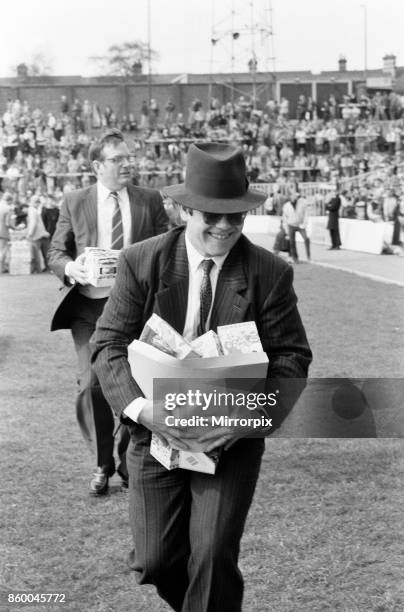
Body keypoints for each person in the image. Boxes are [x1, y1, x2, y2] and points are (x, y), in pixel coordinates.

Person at [92, 143, 312, 611]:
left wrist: (241, 422)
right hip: (155, 431)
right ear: (183, 209)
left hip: (229, 439)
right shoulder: (141, 260)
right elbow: (107, 344)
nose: (225, 227)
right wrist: (143, 409)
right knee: (155, 561)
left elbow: (291, 358)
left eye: (236, 216)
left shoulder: (270, 272)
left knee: (211, 556)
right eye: (212, 215)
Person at [48, 128, 169, 495]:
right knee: (92, 385)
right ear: (97, 166)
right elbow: (56, 252)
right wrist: (72, 269)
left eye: (129, 157)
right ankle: (102, 464)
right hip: (88, 307)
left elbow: (169, 246)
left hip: (137, 309)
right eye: (118, 159)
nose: (127, 164)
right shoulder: (74, 200)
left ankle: (127, 457)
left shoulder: (149, 200)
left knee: (134, 385)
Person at [282, 191, 311, 263]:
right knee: (292, 243)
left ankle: (308, 256)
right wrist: (286, 231)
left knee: (306, 239)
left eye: (295, 196)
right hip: (291, 225)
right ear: (290, 197)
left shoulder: (302, 204)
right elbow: (284, 218)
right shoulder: (286, 205)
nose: (294, 197)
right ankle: (295, 258)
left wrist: (304, 224)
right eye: (292, 196)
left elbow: (306, 214)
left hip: (300, 225)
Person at [0, 192, 14, 273]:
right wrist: (15, 228)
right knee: (2, 251)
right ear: (9, 200)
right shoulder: (7, 208)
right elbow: (7, 223)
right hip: (3, 232)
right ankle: (1, 268)